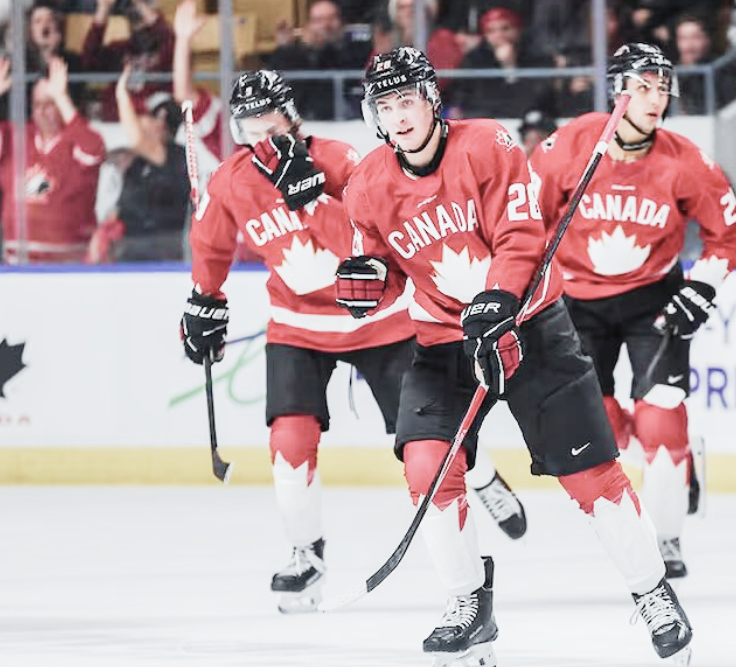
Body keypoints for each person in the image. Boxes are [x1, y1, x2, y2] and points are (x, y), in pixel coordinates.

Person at [339, 46, 693, 667]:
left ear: (431, 99)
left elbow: (521, 235)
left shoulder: (488, 145)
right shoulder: (366, 183)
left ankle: (652, 592)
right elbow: (385, 267)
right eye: (385, 105)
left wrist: (498, 297)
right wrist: (367, 285)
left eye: (408, 100)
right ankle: (468, 610)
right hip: (444, 344)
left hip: (531, 330)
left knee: (591, 476)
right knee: (427, 465)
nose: (399, 116)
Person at [180, 69, 528, 614]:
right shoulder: (231, 181)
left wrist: (322, 197)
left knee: (428, 437)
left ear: (291, 113)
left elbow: (383, 221)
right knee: (290, 443)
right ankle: (305, 553)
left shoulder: (340, 158)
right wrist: (205, 301)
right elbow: (211, 242)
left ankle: (482, 478)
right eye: (249, 123)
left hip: (379, 321)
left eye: (270, 117)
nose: (261, 131)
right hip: (297, 327)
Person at [529, 42, 736, 579]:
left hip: (656, 300)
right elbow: (523, 222)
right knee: (597, 423)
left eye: (663, 87)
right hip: (578, 302)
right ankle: (673, 448)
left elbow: (729, 234)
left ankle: (667, 540)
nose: (657, 98)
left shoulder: (685, 160)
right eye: (644, 86)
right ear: (618, 92)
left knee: (660, 421)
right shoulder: (567, 148)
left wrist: (703, 288)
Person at [0, 55, 105, 264]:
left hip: (70, 265)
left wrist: (61, 96)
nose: (41, 110)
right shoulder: (15, 137)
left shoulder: (77, 138)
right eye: (37, 104)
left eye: (50, 103)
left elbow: (93, 151)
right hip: (18, 264)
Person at [89, 64, 189, 262]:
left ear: (160, 121)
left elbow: (136, 139)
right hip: (130, 249)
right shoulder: (138, 159)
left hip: (158, 253)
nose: (140, 121)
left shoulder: (174, 156)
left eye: (145, 117)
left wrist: (121, 95)